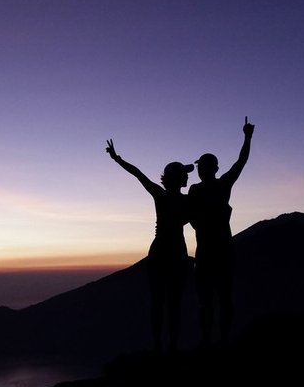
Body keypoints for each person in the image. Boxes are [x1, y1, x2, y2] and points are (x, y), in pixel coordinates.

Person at [105, 138, 192, 354]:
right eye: (185, 174)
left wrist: (117, 159)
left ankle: (158, 347)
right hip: (176, 252)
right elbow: (138, 174)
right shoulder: (187, 201)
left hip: (160, 250)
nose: (188, 176)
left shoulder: (161, 195)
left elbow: (138, 174)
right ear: (179, 179)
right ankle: (171, 346)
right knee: (174, 302)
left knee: (158, 302)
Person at [188, 116, 254, 347]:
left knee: (206, 301)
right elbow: (241, 162)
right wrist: (247, 137)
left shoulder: (195, 191)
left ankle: (208, 342)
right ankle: (223, 341)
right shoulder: (222, 185)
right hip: (223, 250)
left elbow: (187, 216)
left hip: (206, 252)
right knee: (224, 299)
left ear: (203, 169)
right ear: (215, 168)